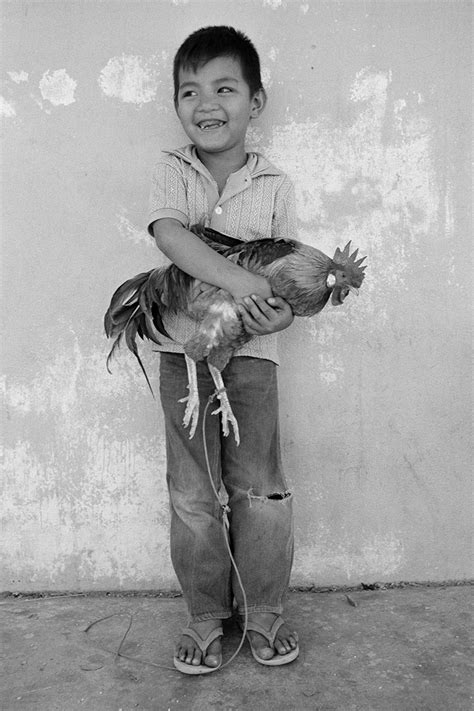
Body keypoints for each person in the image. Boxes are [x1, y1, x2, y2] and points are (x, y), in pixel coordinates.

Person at [147, 25, 299, 673]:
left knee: (260, 487)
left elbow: (287, 281)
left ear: (254, 102)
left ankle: (263, 609)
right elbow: (170, 236)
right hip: (183, 353)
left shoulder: (274, 183)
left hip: (253, 358)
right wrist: (242, 279)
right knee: (192, 490)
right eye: (190, 91)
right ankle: (207, 613)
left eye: (225, 87)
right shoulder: (171, 170)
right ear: (178, 105)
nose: (206, 102)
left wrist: (279, 307)